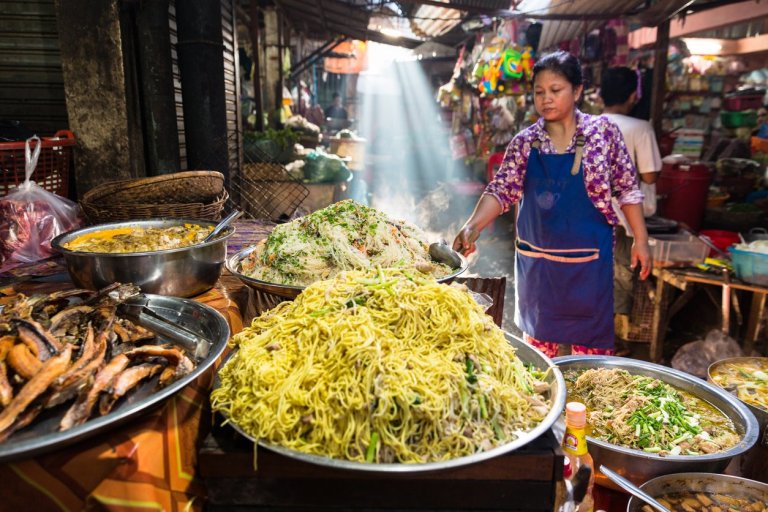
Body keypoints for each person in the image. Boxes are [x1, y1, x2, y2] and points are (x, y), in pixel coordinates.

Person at [453, 51, 651, 359]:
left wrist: (641, 238)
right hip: (539, 267)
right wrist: (472, 225)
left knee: (591, 361)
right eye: (539, 92)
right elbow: (502, 190)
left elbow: (627, 188)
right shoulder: (524, 142)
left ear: (578, 91)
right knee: (538, 359)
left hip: (590, 265)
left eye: (556, 90)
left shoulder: (603, 134)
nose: (546, 99)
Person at [600, 67, 662, 350]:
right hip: (625, 218)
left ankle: (595, 338)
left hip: (592, 217)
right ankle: (612, 342)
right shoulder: (641, 128)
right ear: (634, 94)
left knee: (597, 277)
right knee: (620, 280)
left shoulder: (588, 124)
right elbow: (649, 176)